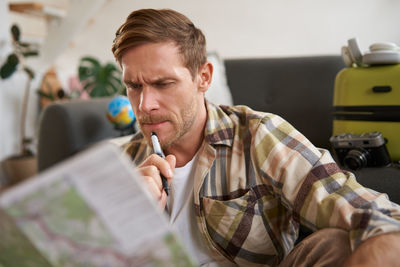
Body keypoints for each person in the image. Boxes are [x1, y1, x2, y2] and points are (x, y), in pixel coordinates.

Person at [112, 8, 400, 266]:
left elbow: (357, 206)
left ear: (204, 78)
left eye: (163, 83)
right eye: (134, 86)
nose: (144, 104)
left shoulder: (258, 135)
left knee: (339, 245)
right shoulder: (122, 161)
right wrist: (126, 219)